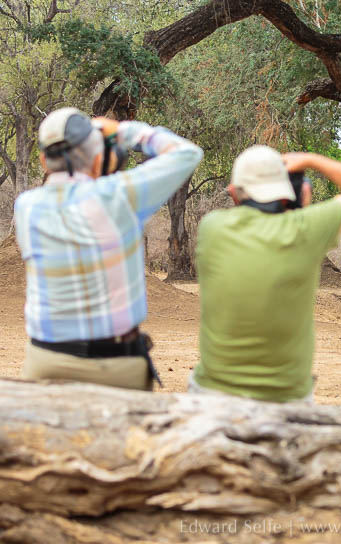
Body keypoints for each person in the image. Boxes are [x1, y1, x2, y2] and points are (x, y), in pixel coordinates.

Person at [14, 107, 203, 390]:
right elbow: (188, 154)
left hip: (45, 362)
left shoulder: (26, 207)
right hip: (115, 364)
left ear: (43, 161)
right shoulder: (118, 195)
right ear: (97, 157)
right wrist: (124, 131)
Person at [188, 146, 341, 402]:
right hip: (285, 397)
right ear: (293, 194)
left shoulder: (212, 227)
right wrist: (312, 159)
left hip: (212, 394)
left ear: (234, 193)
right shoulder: (305, 230)